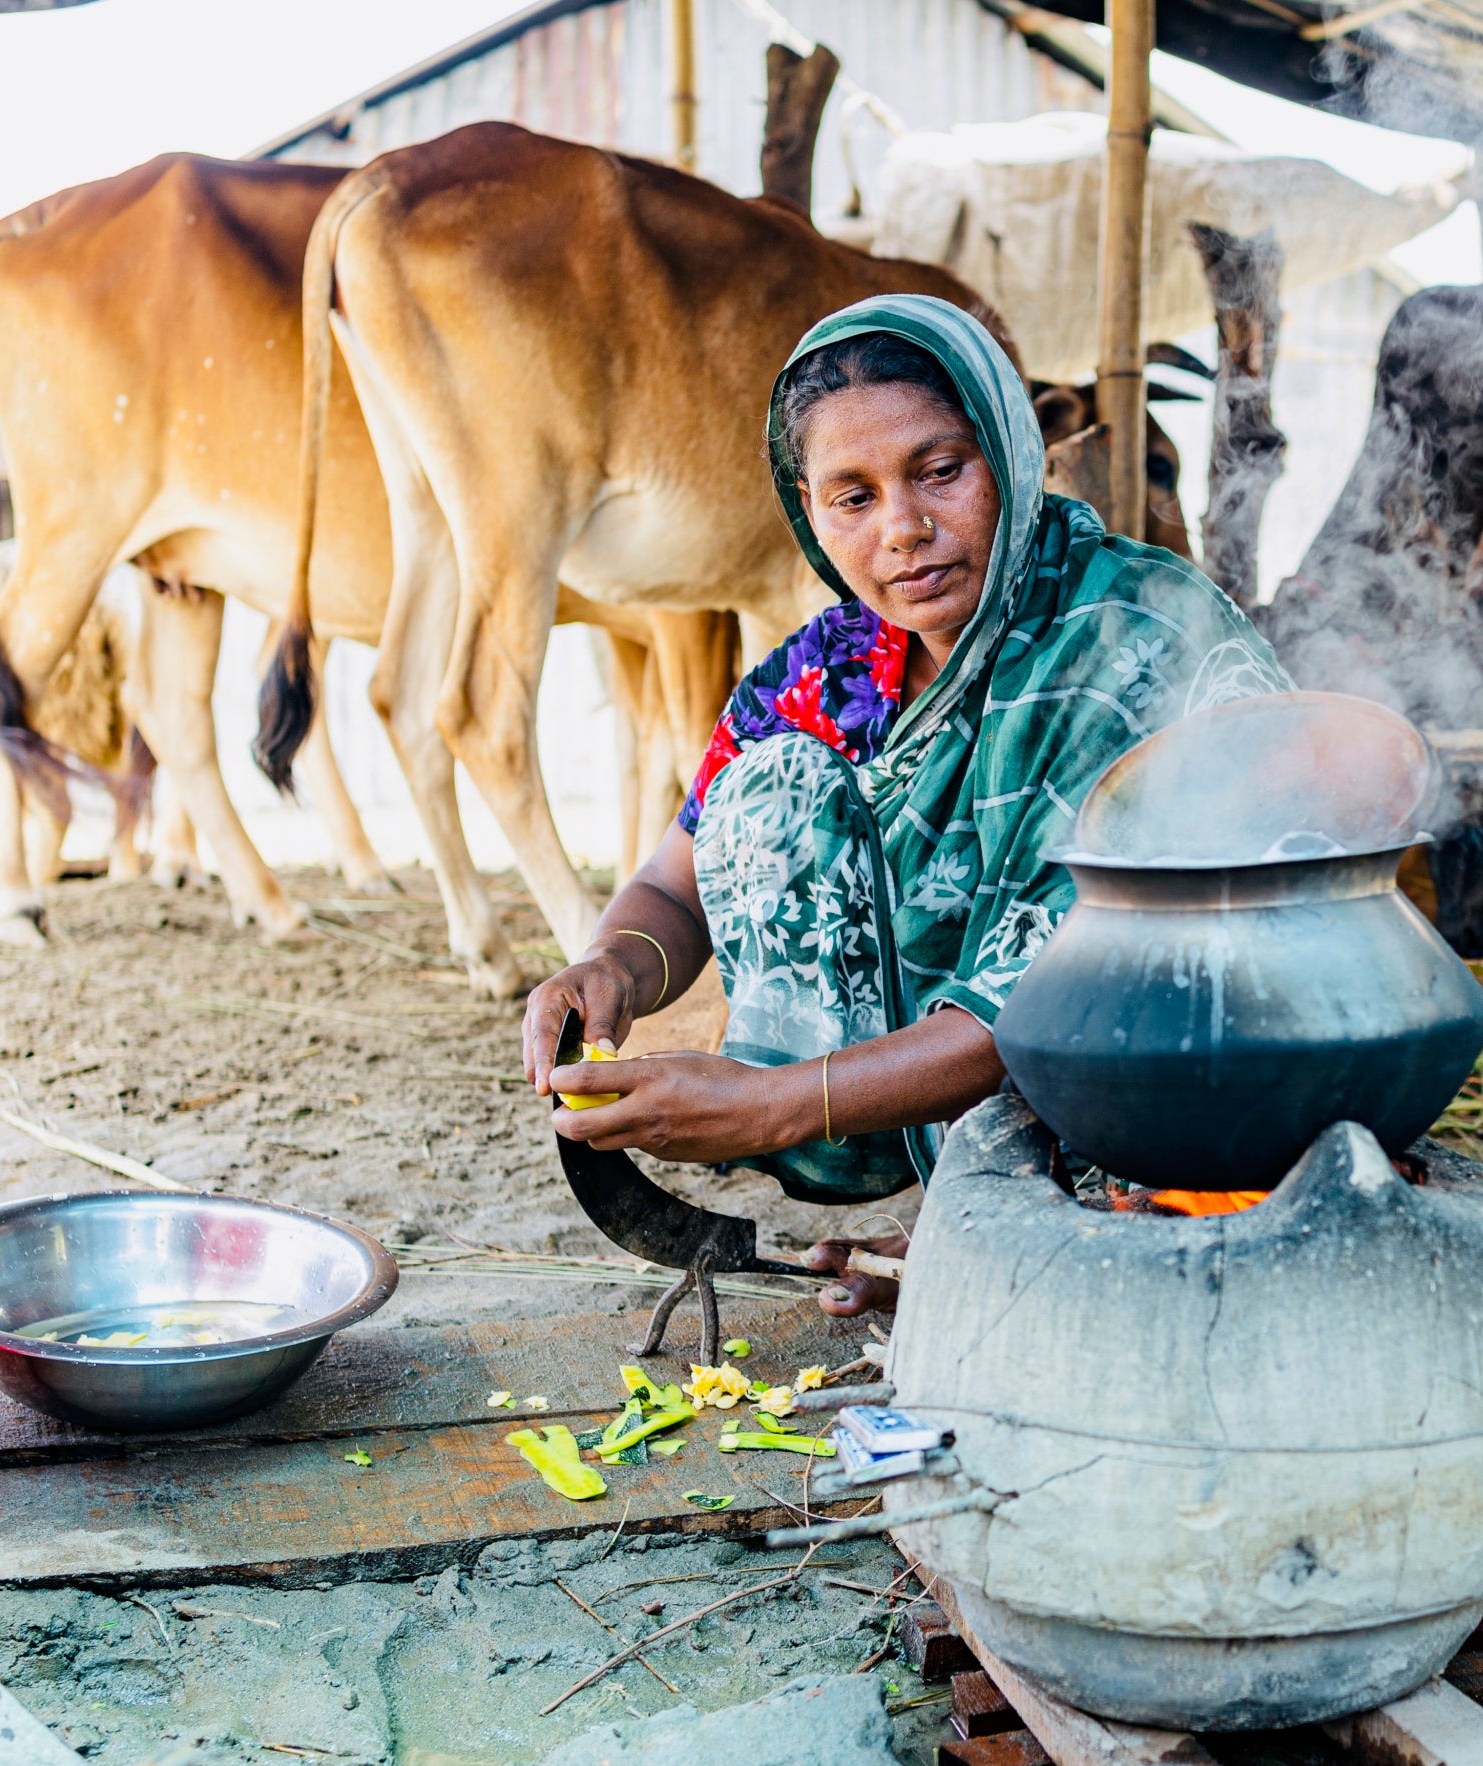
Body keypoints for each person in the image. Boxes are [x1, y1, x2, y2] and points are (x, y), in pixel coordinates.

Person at [521, 295, 1286, 1313]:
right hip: (939, 1090)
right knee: (772, 781)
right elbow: (677, 877)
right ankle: (972, 1195)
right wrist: (611, 966)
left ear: (1010, 456)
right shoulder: (832, 669)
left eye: (940, 470)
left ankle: (1074, 1216)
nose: (905, 530)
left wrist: (768, 1106)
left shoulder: (1127, 633)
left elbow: (1056, 994)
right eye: (853, 497)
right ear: (806, 507)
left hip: (1190, 1081)